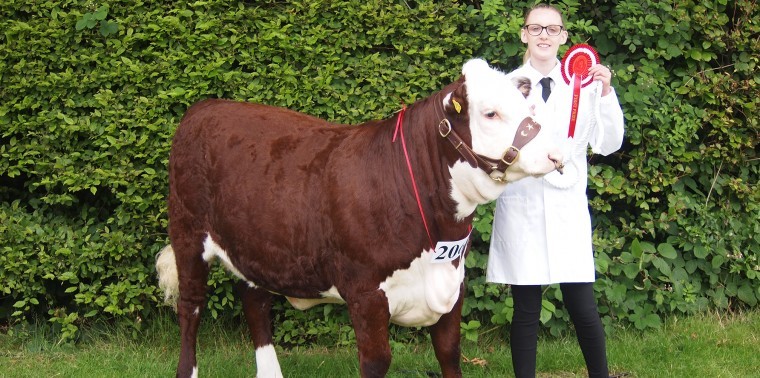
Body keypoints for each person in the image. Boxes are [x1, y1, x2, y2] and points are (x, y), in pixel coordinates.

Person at [486, 3, 625, 378]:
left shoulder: (585, 85)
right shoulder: (506, 87)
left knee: (583, 308)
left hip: (567, 207)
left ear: (564, 36)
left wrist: (608, 92)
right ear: (523, 34)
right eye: (536, 28)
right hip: (523, 205)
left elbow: (608, 144)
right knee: (526, 311)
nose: (543, 35)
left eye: (552, 29)